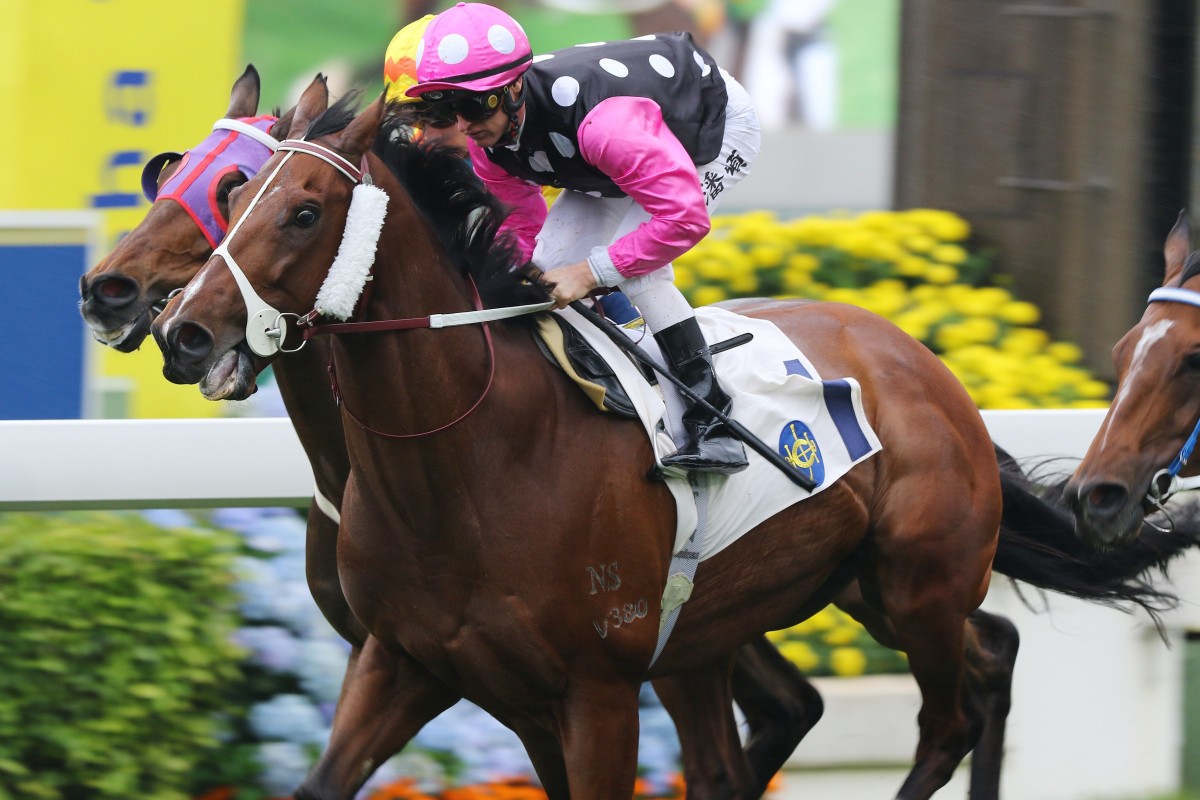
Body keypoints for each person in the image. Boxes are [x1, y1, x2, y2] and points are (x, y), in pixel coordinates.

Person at [406, 2, 760, 475]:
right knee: (549, 266)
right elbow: (520, 224)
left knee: (641, 273)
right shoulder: (491, 141)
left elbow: (683, 219)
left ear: (513, 89)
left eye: (473, 104)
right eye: (448, 109)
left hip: (709, 128)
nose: (465, 124)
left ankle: (713, 424)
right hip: (609, 152)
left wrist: (592, 273)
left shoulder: (606, 127)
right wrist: (513, 273)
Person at [383, 14, 472, 154]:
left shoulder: (516, 153)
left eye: (441, 116)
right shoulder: (409, 161)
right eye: (413, 120)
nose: (429, 136)